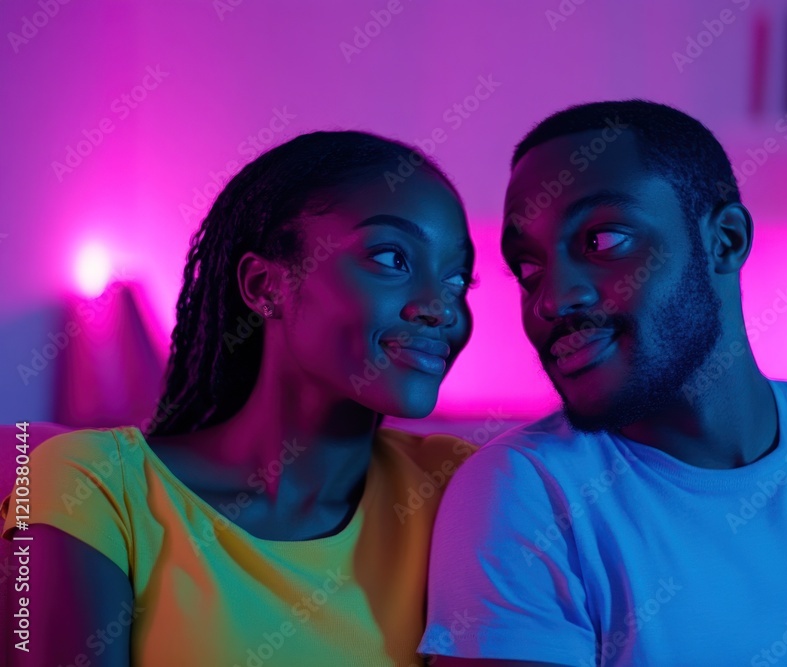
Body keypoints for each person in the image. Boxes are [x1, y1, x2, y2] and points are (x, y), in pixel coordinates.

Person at [419, 100, 787, 666]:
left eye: (602, 240)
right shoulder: (523, 494)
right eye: (528, 268)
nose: (551, 299)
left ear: (725, 240)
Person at [1, 130, 477, 666]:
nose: (442, 308)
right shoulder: (91, 483)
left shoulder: (460, 488)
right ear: (263, 284)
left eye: (459, 279)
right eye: (392, 257)